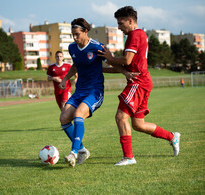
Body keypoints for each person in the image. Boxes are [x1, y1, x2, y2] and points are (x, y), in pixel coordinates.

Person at [98, 6, 181, 166]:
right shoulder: (138, 34)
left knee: (121, 117)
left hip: (138, 83)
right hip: (141, 81)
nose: (119, 27)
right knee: (138, 124)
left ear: (130, 21)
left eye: (121, 23)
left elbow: (127, 60)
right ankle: (172, 137)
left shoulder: (135, 35)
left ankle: (128, 157)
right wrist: (102, 68)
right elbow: (127, 67)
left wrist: (109, 57)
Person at [59, 18, 135, 167]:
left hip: (94, 91)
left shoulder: (97, 47)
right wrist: (65, 79)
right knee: (63, 118)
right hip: (79, 91)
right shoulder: (72, 48)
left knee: (78, 115)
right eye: (72, 35)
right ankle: (82, 150)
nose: (74, 38)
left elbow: (112, 62)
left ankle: (73, 153)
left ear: (86, 31)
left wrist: (125, 73)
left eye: (77, 34)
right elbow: (75, 65)